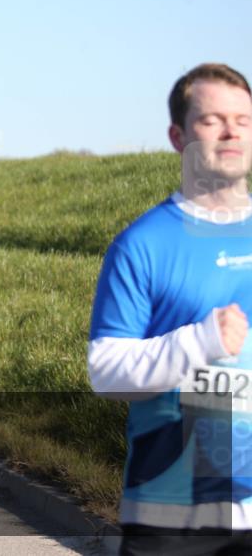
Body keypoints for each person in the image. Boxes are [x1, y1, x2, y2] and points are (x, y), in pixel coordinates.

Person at [88, 63, 252, 555]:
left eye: (243, 120)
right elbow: (106, 372)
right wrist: (201, 341)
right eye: (212, 120)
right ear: (178, 137)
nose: (231, 133)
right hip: (173, 518)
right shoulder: (143, 244)